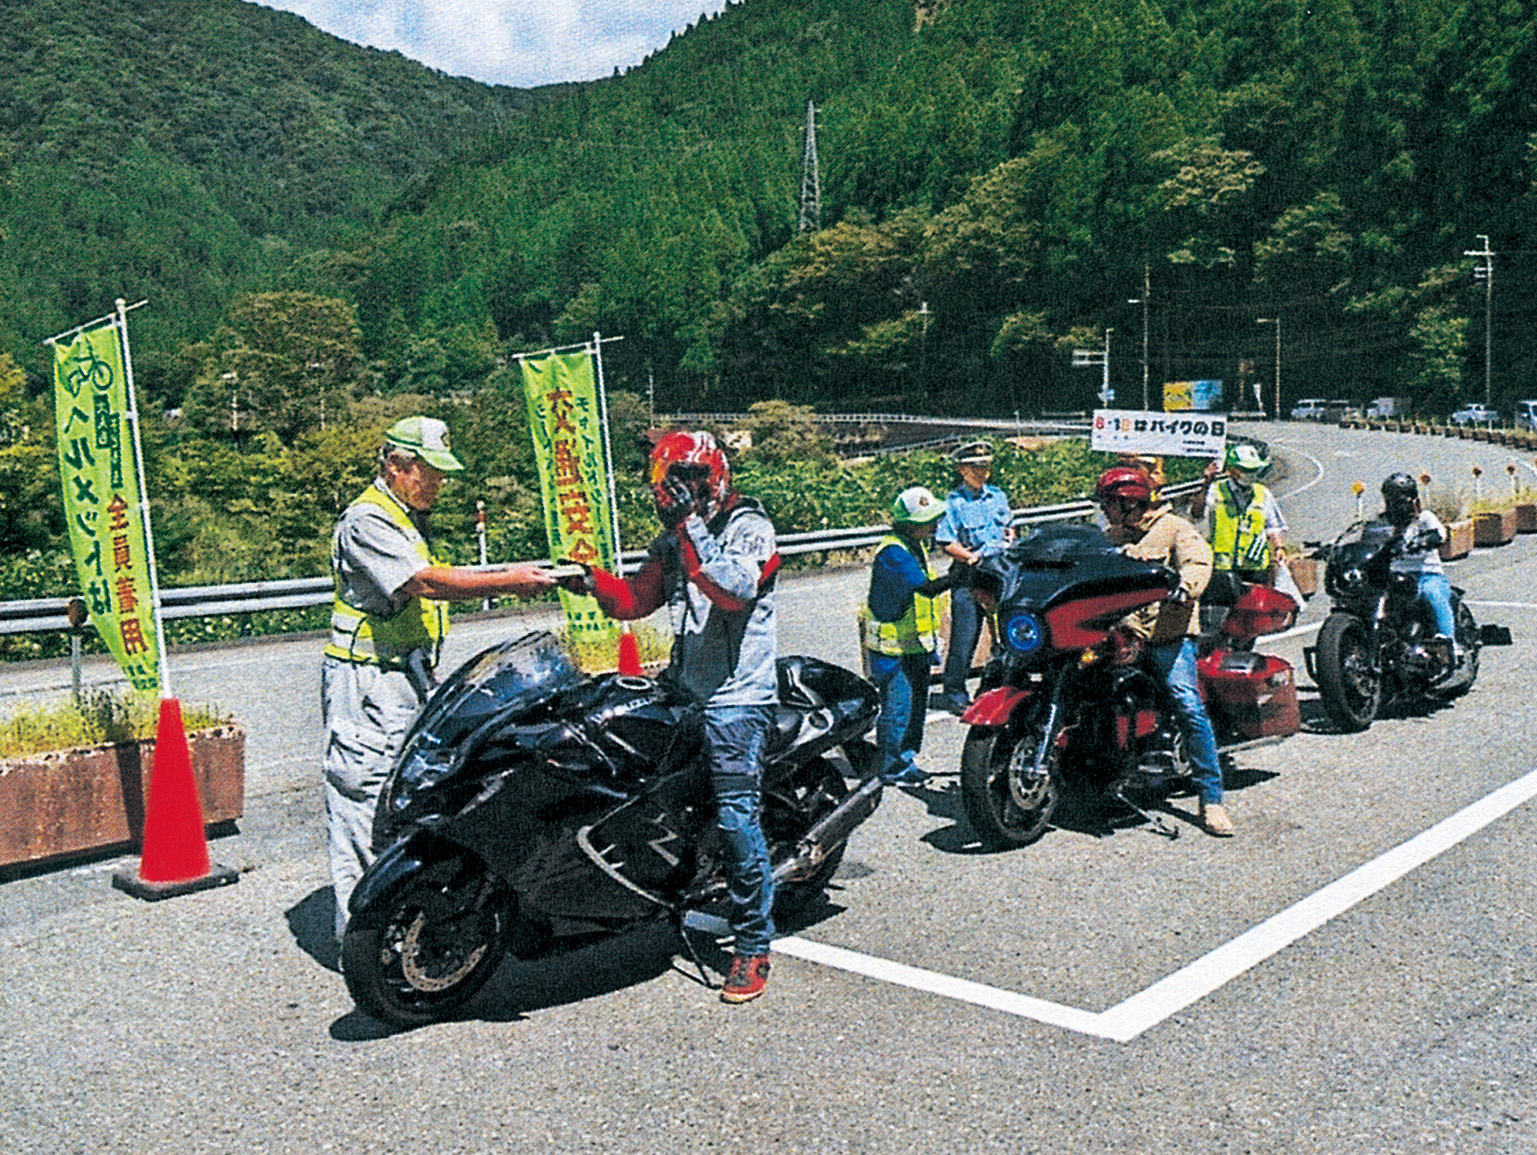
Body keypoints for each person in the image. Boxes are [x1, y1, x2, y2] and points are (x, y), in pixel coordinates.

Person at [323, 416, 556, 943]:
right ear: (396, 466)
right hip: (367, 683)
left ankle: (397, 921)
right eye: (428, 472)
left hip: (404, 677)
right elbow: (425, 582)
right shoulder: (368, 520)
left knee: (408, 793)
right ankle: (360, 941)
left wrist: (516, 572)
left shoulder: (405, 519)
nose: (437, 483)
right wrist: (509, 583)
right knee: (363, 802)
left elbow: (443, 573)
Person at [568, 430, 780, 1006]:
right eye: (667, 487)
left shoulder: (749, 528)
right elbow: (636, 601)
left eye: (685, 484)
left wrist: (688, 527)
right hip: (684, 689)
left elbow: (732, 591)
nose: (674, 496)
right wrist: (588, 581)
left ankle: (753, 944)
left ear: (713, 480)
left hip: (737, 700)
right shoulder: (675, 540)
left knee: (737, 818)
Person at [1096, 466, 1233, 838]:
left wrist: (1187, 585)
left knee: (1186, 702)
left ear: (1129, 503)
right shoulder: (1109, 537)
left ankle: (1212, 799)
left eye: (1109, 503)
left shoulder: (1173, 529)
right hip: (1119, 635)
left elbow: (1198, 560)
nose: (1103, 510)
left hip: (1165, 637)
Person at [863, 486, 961, 787]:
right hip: (893, 650)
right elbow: (926, 588)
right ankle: (892, 766)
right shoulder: (894, 551)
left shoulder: (913, 545)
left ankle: (906, 759)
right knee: (898, 709)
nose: (935, 525)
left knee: (916, 707)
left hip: (915, 644)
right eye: (928, 520)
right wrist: (961, 575)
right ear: (908, 523)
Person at [935, 439, 1013, 714]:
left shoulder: (997, 496)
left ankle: (1001, 686)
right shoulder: (953, 503)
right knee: (965, 637)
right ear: (961, 470)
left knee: (1007, 633)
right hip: (970, 576)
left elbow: (1007, 527)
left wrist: (1009, 536)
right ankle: (954, 692)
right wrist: (968, 557)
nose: (983, 472)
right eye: (976, 467)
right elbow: (946, 541)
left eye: (986, 466)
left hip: (1000, 573)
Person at [1379, 472, 1460, 660]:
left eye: (1400, 500)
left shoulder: (1424, 518)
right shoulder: (1383, 521)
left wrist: (1426, 540)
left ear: (1413, 499)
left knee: (1432, 593)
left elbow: (1440, 533)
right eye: (1390, 500)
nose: (1395, 505)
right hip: (1395, 576)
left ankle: (1449, 642)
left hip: (1426, 574)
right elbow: (1365, 534)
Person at [1191, 443, 1288, 583]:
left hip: (1255, 566)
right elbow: (1196, 514)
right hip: (1222, 567)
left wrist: (1279, 548)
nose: (1250, 474)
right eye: (1245, 469)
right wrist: (1206, 483)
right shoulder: (1216, 490)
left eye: (1254, 469)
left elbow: (1273, 527)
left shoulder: (1262, 493)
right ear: (1231, 469)